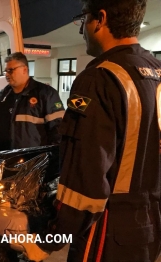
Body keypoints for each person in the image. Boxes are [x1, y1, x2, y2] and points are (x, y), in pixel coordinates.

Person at [36, 0, 161, 261]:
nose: (82, 30)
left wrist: (51, 237)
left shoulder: (99, 79)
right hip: (150, 226)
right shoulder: (155, 72)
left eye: (83, 19)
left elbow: (85, 180)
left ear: (100, 19)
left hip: (107, 231)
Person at [0, 52, 65, 150]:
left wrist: (54, 156)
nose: (7, 74)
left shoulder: (46, 94)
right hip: (1, 159)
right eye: (5, 71)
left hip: (31, 161)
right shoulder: (0, 97)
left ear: (24, 69)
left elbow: (58, 129)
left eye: (11, 70)